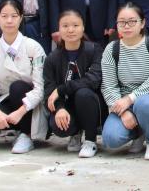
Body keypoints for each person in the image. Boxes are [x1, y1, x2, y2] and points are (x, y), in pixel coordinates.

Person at [100, 2, 149, 160]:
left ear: (142, 23)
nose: (126, 26)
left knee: (144, 104)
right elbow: (108, 86)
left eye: (132, 21)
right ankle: (139, 132)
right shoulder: (112, 49)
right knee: (111, 138)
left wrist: (130, 98)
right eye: (122, 22)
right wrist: (123, 111)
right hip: (123, 103)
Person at [0, 0, 48, 154]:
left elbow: (40, 88)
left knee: (17, 87)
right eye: (4, 16)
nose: (9, 21)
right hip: (7, 99)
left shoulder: (33, 47)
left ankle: (26, 134)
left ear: (21, 18)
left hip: (32, 104)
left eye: (14, 16)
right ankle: (17, 129)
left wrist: (20, 112)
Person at [43, 9, 105, 159]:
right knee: (60, 127)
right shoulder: (52, 58)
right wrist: (59, 108)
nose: (70, 30)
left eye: (75, 25)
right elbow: (49, 90)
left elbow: (93, 80)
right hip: (67, 105)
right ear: (59, 29)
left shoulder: (94, 50)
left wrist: (62, 89)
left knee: (83, 93)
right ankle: (75, 132)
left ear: (83, 27)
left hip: (92, 104)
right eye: (65, 26)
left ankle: (90, 140)